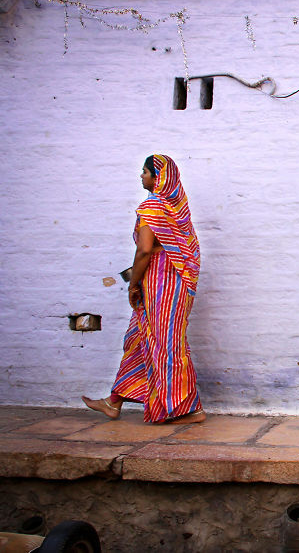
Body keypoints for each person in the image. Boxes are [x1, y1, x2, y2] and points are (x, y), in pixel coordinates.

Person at [83, 154, 205, 424]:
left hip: (160, 280)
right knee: (142, 336)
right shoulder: (178, 209)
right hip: (177, 281)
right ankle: (114, 401)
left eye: (145, 172)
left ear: (157, 177)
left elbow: (145, 250)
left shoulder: (153, 207)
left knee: (166, 344)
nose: (141, 176)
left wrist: (133, 285)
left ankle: (187, 409)